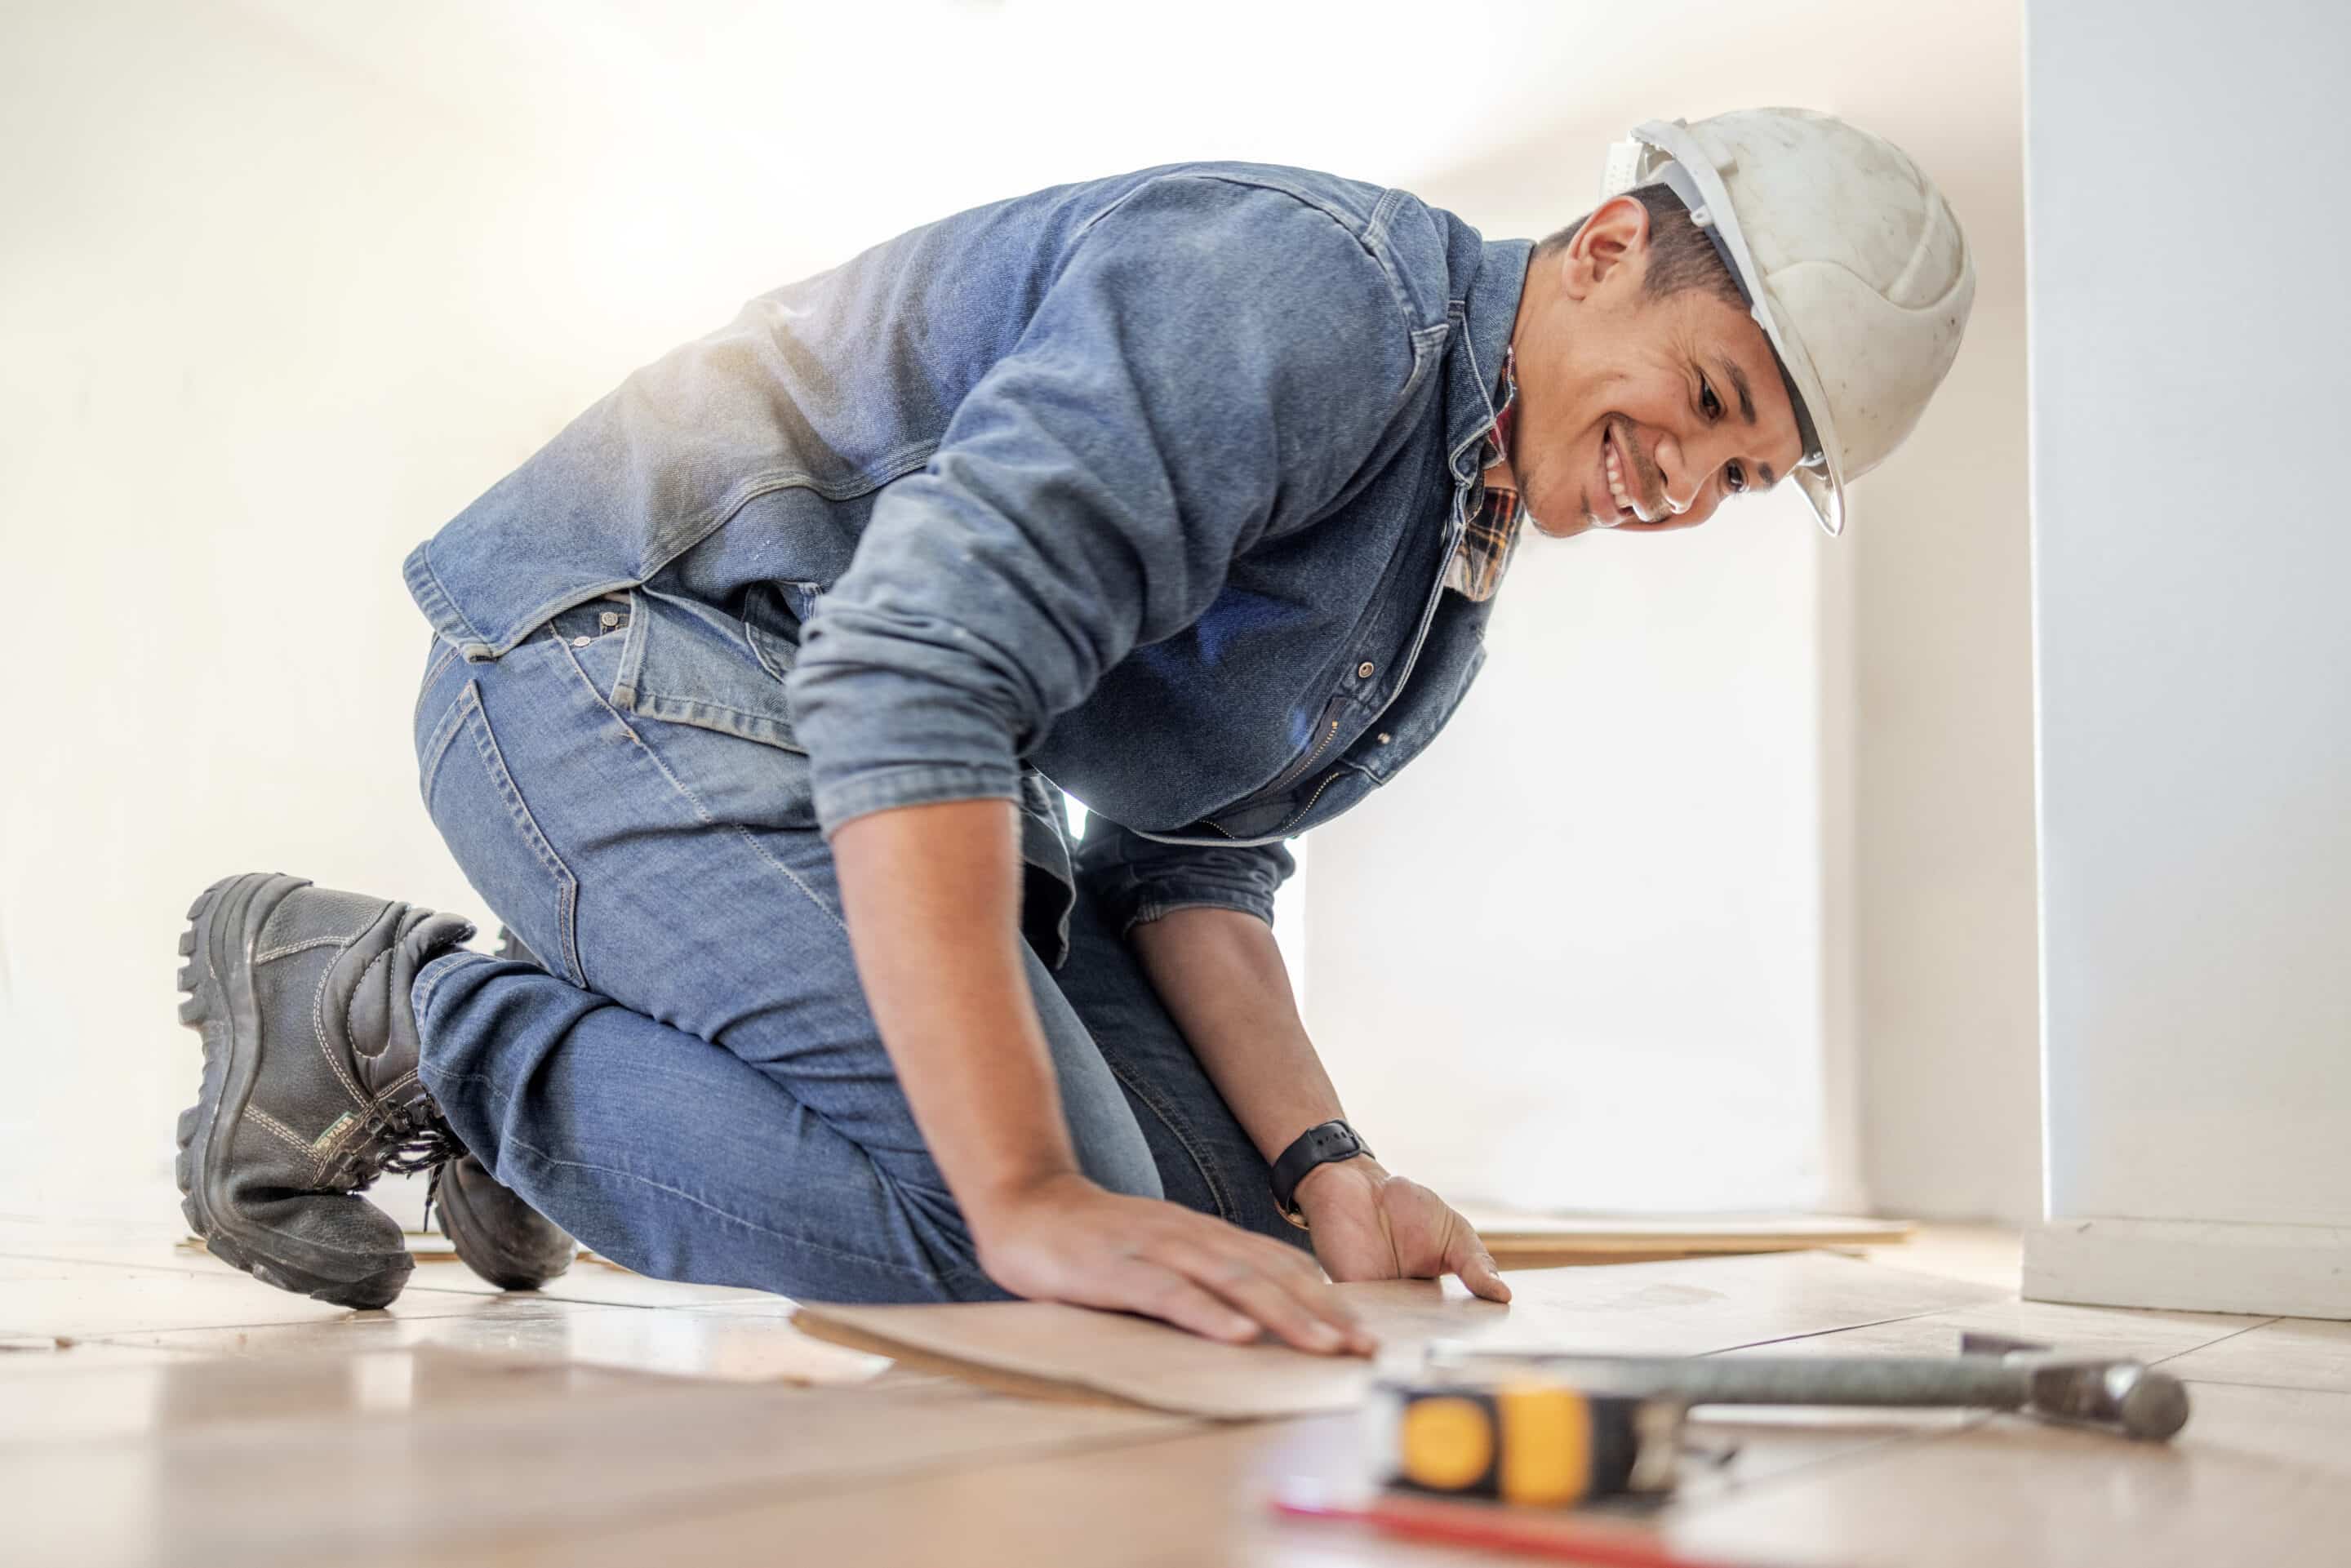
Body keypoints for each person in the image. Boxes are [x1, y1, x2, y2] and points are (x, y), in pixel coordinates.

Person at [171, 109, 1972, 1350]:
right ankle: (399, 1015)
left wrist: (1328, 1171)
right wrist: (1026, 1185)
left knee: (1222, 1260)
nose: (1690, 485)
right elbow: (913, 667)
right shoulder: (1319, 295)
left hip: (822, 749)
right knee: (1006, 1236)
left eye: (1744, 477)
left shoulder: (1456, 551)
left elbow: (1192, 859)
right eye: (1711, 400)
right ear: (1604, 251)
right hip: (608, 652)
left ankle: (581, 1064)